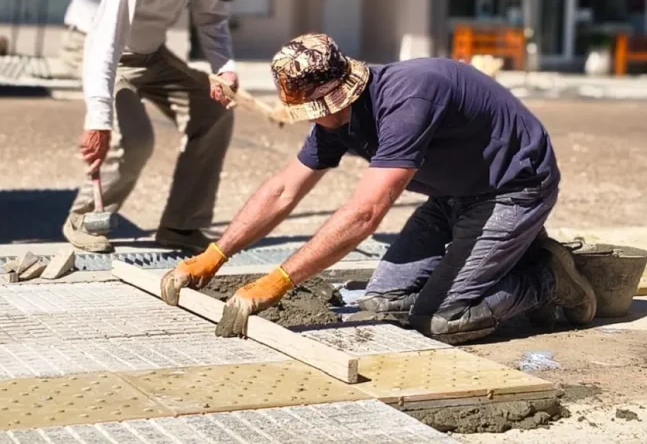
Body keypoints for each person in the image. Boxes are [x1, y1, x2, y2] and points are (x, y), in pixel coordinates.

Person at [160, 33, 597, 343]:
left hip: (513, 190)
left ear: (340, 95)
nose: (313, 120)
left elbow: (366, 213)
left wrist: (278, 281)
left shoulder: (409, 99)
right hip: (454, 195)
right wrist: (215, 255)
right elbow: (282, 190)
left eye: (315, 110)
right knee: (382, 302)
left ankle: (546, 277)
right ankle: (498, 261)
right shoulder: (336, 118)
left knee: (443, 320)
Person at [59, 0, 252, 253]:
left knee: (214, 111)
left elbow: (211, 18)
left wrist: (225, 69)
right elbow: (106, 41)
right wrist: (99, 120)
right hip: (99, 45)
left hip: (148, 51)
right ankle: (84, 219)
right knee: (137, 140)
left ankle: (181, 225)